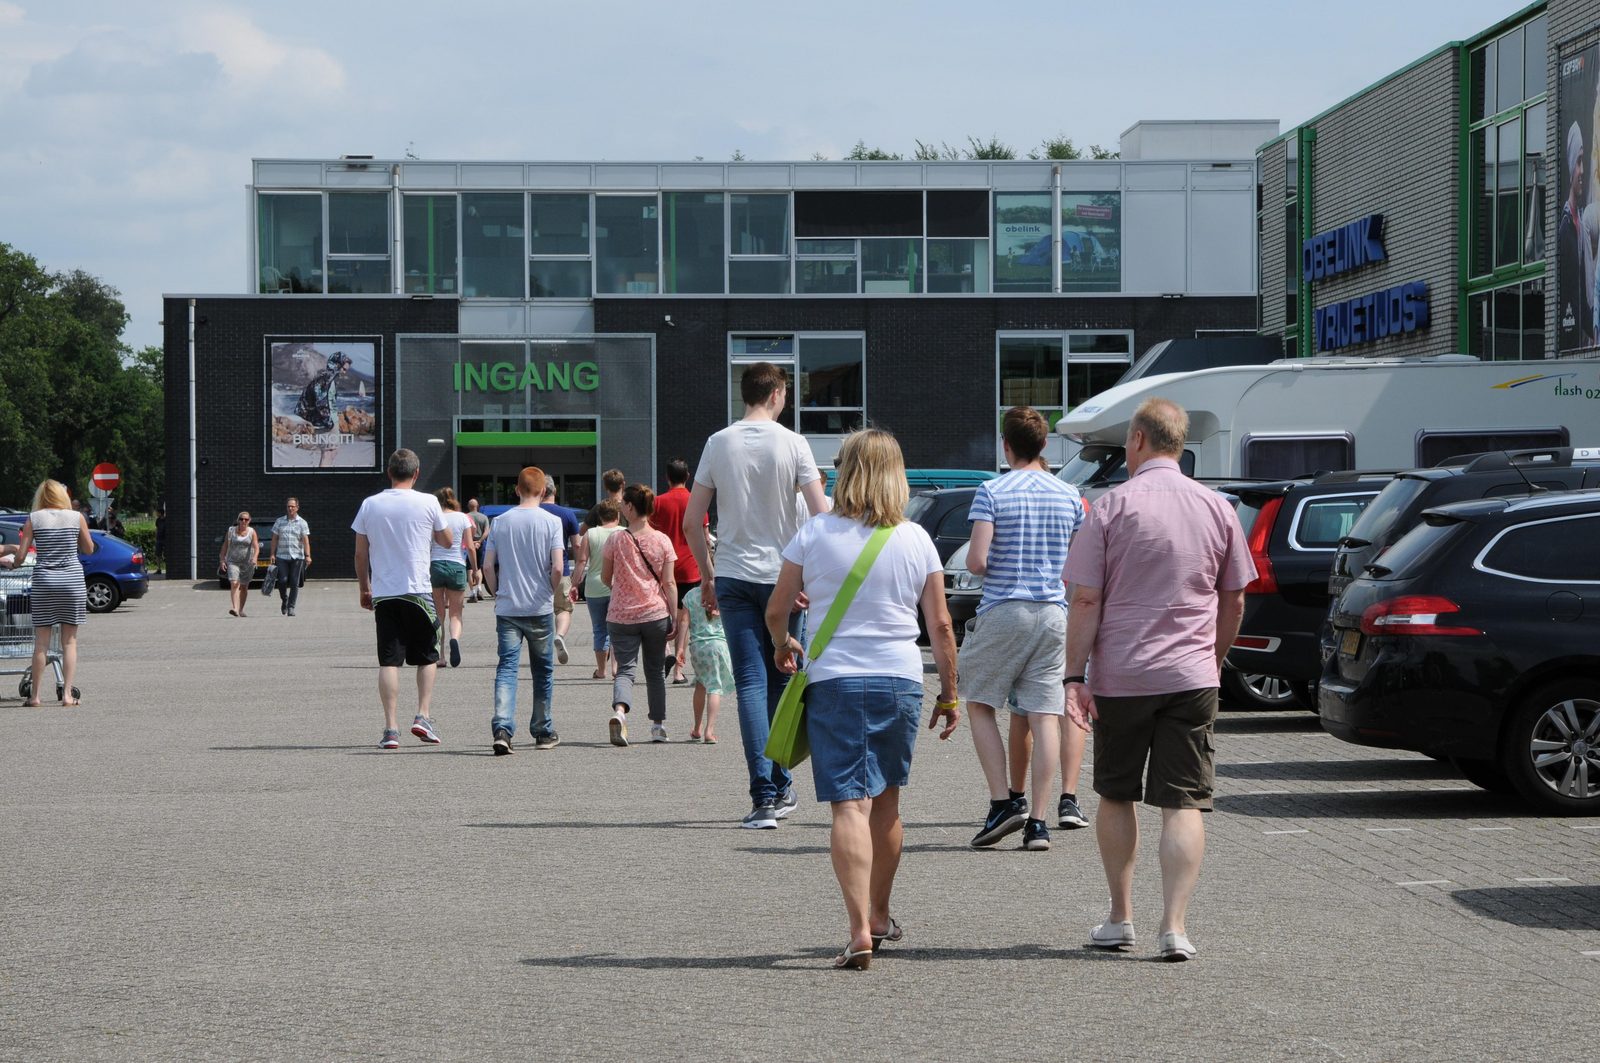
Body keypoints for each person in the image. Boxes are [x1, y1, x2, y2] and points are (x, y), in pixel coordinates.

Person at [1064, 398, 1255, 962]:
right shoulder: (1218, 507)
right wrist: (1213, 658)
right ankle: (1174, 926)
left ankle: (1120, 917)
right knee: (1184, 801)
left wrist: (1075, 675)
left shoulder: (1110, 507)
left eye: (1126, 443)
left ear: (1141, 441)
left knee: (1117, 793)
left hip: (1123, 675)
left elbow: (1086, 599)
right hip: (1191, 675)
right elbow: (1235, 597)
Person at [766, 429, 960, 970]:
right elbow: (941, 624)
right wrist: (950, 694)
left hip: (836, 680)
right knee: (888, 803)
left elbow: (778, 608)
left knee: (848, 805)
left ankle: (857, 931)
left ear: (847, 471)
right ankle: (880, 912)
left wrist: (785, 644)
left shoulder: (814, 532)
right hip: (900, 679)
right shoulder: (917, 538)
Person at [684, 362, 828, 829]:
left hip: (732, 575)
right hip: (785, 577)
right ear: (778, 393)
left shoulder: (717, 442)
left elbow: (693, 521)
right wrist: (811, 576)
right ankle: (781, 784)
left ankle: (765, 796)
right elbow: (820, 514)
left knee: (748, 683)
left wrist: (707, 575)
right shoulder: (794, 443)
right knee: (784, 681)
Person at [960, 406, 1086, 853]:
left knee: (978, 701)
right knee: (1044, 713)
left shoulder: (992, 491)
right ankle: (1038, 821)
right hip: (1054, 613)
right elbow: (1079, 563)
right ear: (1045, 444)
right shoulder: (1070, 495)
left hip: (1005, 608)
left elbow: (976, 561)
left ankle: (1001, 801)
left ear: (1005, 444)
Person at [352, 448, 453, 750]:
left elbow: (360, 552)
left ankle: (390, 729)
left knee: (389, 660)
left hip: (385, 593)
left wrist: (364, 588)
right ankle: (422, 715)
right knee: (428, 656)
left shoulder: (370, 505)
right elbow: (447, 540)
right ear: (417, 473)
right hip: (419, 591)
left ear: (389, 472)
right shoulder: (429, 502)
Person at [483, 467, 565, 755]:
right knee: (542, 671)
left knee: (507, 668)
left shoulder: (500, 522)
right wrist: (550, 590)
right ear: (543, 491)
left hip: (508, 607)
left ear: (516, 489)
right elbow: (557, 566)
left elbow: (486, 566)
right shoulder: (551, 522)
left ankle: (503, 729)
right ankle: (542, 731)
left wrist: (496, 592)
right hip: (539, 607)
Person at [603, 484, 676, 745]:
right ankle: (658, 726)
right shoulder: (662, 540)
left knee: (625, 670)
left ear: (631, 508)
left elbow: (605, 577)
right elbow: (669, 583)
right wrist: (674, 617)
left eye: (624, 504)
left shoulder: (616, 539)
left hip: (621, 615)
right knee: (655, 671)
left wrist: (622, 588)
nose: (621, 507)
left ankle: (620, 713)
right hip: (655, 613)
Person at [16, 480, 94, 706]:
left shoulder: (34, 519)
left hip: (45, 582)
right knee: (69, 642)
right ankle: (68, 695)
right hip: (72, 582)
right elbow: (88, 549)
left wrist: (13, 563)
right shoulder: (75, 517)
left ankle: (35, 696)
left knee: (41, 642)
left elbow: (22, 556)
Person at [649, 457, 706, 684]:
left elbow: (651, 534)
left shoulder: (658, 502)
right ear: (688, 476)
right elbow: (703, 535)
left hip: (664, 568)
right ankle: (679, 670)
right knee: (685, 618)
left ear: (667, 477)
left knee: (663, 612)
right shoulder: (696, 502)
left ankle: (666, 652)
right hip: (691, 567)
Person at [571, 499, 621, 680]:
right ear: (618, 515)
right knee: (618, 629)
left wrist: (575, 584)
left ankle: (601, 670)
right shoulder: (625, 533)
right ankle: (617, 669)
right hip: (619, 587)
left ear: (599, 516)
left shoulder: (590, 534)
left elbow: (581, 562)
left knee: (600, 629)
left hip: (594, 587)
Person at [429, 487, 478, 668]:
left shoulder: (435, 518)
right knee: (456, 614)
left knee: (438, 613)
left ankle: (440, 656)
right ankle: (455, 639)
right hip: (457, 565)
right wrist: (475, 569)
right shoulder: (463, 518)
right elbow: (470, 547)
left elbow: (428, 544)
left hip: (436, 565)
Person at [682, 583, 730, 743]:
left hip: (698, 647)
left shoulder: (690, 595)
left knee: (701, 684)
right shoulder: (724, 593)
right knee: (715, 686)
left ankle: (697, 728)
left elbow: (684, 622)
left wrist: (679, 649)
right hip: (718, 645)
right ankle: (709, 731)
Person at [542, 481, 581, 665]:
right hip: (562, 569)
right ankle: (559, 635)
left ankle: (541, 649)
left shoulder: (534, 513)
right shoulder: (567, 514)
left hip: (537, 572)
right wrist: (579, 567)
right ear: (555, 491)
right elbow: (577, 544)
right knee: (563, 609)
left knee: (539, 612)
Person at [268, 497, 312, 616]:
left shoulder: (302, 522)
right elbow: (274, 539)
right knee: (282, 581)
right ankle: (285, 600)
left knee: (294, 582)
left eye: (293, 506)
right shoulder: (279, 521)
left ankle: (291, 607)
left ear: (297, 507)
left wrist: (307, 555)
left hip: (297, 557)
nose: (290, 508)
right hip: (282, 556)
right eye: (288, 506)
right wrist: (272, 553)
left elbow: (306, 541)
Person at [297, 351, 352, 431]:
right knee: (325, 443)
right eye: (344, 369)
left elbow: (330, 401)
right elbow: (320, 400)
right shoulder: (325, 378)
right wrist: (327, 421)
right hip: (325, 424)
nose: (344, 372)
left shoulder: (331, 378)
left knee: (330, 443)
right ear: (337, 365)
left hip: (331, 421)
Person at [219, 510, 259, 617]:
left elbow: (256, 547)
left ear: (249, 521)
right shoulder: (231, 531)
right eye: (241, 519)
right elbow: (225, 546)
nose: (243, 521)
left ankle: (241, 609)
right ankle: (235, 608)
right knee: (234, 583)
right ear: (238, 520)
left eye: (246, 519)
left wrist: (255, 557)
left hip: (247, 563)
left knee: (244, 586)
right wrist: (222, 560)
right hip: (233, 561)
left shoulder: (252, 532)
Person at [465, 498, 491, 602]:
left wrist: (471, 542)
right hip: (480, 545)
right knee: (479, 568)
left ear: (468, 506)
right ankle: (479, 588)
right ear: (477, 506)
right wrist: (479, 541)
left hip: (469, 544)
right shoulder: (484, 517)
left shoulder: (466, 517)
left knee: (470, 569)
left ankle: (472, 593)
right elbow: (486, 531)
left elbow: (464, 531)